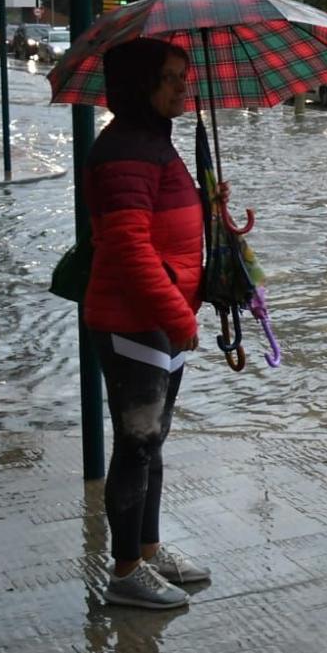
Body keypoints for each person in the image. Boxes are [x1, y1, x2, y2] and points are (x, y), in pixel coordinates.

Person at [83, 37, 214, 609]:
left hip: (162, 322)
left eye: (184, 76)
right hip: (137, 322)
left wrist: (207, 203)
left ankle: (150, 547)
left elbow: (164, 221)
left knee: (152, 442)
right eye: (170, 77)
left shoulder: (155, 145)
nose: (182, 86)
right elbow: (129, 248)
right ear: (141, 84)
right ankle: (125, 569)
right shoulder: (125, 152)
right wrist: (175, 314)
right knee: (135, 447)